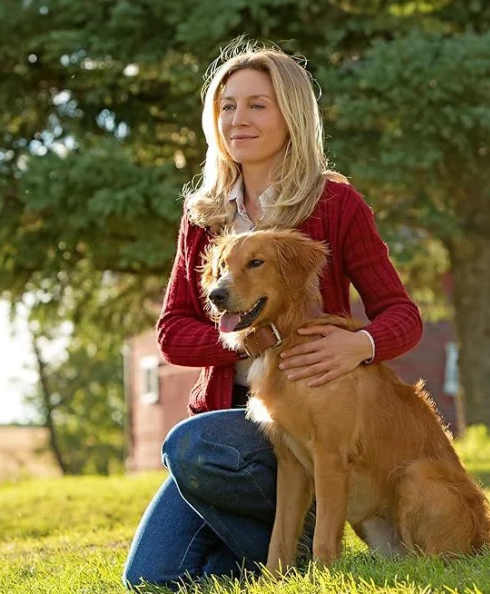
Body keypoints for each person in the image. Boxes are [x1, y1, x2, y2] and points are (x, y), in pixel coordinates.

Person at [121, 40, 424, 590]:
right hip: (231, 414)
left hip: (306, 414)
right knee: (153, 578)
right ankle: (288, 544)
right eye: (227, 105)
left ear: (292, 115)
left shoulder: (334, 204)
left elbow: (401, 315)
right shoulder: (204, 215)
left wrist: (359, 345)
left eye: (258, 105)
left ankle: (305, 537)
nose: (238, 119)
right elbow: (173, 332)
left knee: (190, 449)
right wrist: (242, 343)